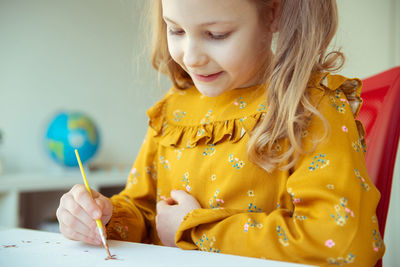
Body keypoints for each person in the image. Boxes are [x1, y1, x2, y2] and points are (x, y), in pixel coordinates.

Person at [56, 0, 385, 265]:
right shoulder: (174, 110)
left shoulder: (313, 109)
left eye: (216, 34)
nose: (191, 56)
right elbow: (145, 213)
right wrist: (102, 219)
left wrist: (197, 228)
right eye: (176, 30)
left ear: (273, 13)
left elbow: (343, 243)